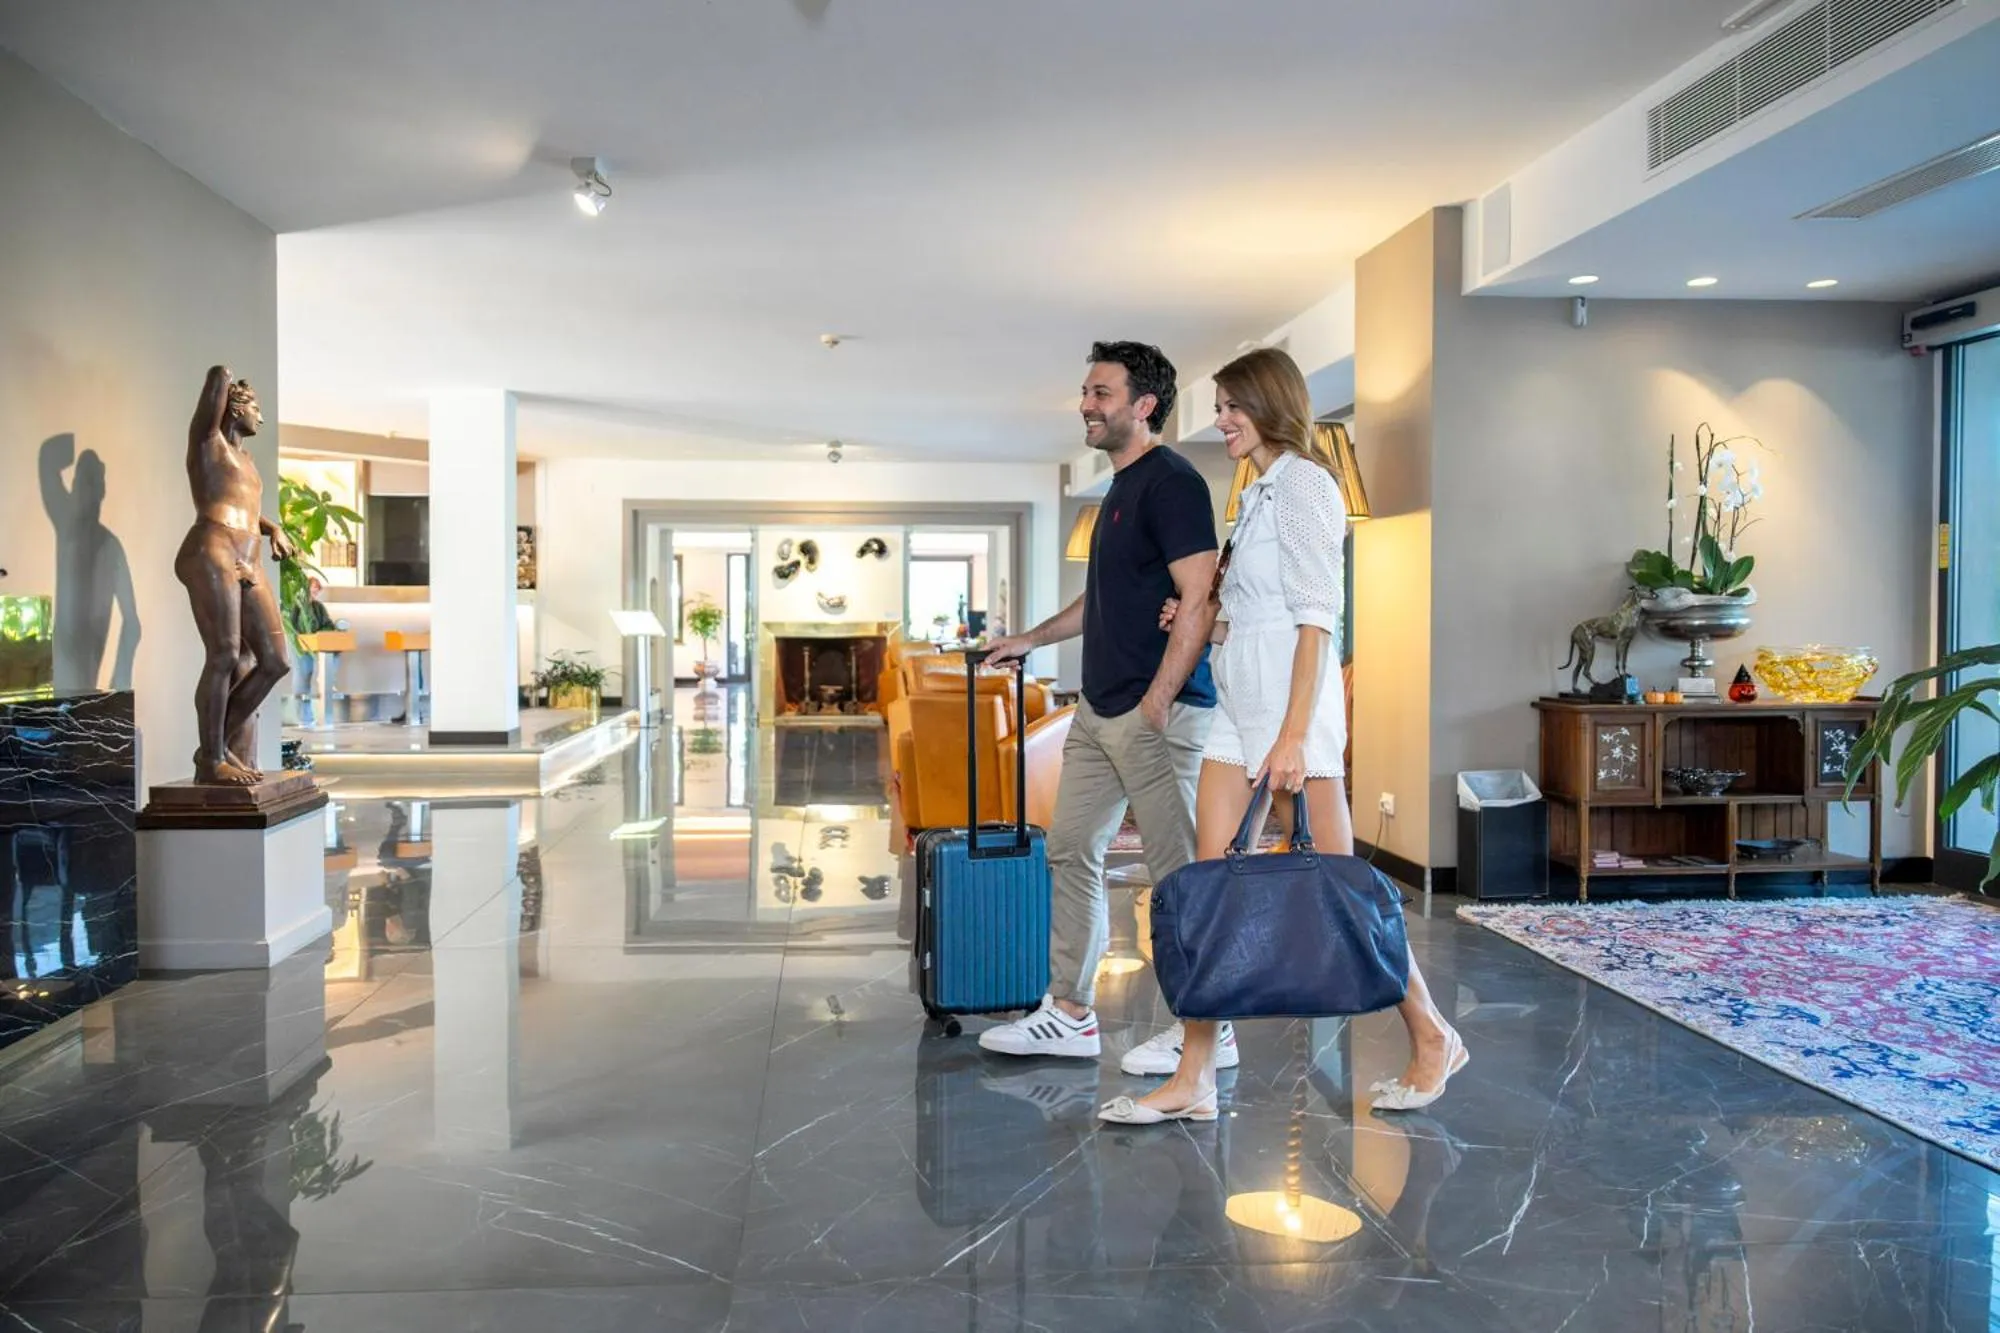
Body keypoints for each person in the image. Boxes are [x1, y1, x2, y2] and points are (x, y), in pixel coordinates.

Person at [1100, 347, 1465, 1125]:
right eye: (1221, 406)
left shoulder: (1305, 483)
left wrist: (1296, 734)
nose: (1222, 420)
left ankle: (1430, 1033)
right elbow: (1263, 614)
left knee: (1342, 890)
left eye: (1233, 405)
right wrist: (1211, 622)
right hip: (1240, 700)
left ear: (1270, 404)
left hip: (1293, 714)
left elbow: (1315, 621)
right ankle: (1194, 1072)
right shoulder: (1256, 493)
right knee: (1211, 886)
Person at [977, 341, 1221, 1064]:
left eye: (1102, 392)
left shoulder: (1172, 483)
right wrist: (1030, 637)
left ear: (1144, 405)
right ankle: (1072, 1011)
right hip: (1099, 710)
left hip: (1156, 713)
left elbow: (1199, 595)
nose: (1087, 404)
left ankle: (1206, 1029)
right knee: (1071, 849)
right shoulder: (1119, 487)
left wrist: (1157, 703)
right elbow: (1105, 599)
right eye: (1086, 392)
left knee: (1176, 876)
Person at [175, 366, 293, 785]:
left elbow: (240, 505)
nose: (260, 417)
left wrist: (271, 527)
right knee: (224, 654)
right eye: (255, 408)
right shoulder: (208, 443)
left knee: (276, 661)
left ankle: (213, 746)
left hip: (248, 558)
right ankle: (211, 759)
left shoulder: (245, 459)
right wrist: (223, 376)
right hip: (212, 549)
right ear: (234, 408)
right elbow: (211, 390)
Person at [289, 576, 338, 726]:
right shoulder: (295, 605)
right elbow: (292, 627)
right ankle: (304, 718)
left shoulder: (319, 607)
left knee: (335, 654)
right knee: (302, 678)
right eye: (314, 586)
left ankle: (326, 679)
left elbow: (328, 624)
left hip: (317, 645)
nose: (316, 590)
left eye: (318, 587)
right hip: (301, 647)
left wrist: (320, 633)